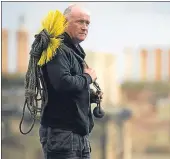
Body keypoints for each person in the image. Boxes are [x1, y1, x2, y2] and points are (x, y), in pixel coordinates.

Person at [38, 4, 103, 159]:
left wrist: (91, 96)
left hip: (78, 135)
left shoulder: (74, 51)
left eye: (87, 23)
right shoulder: (56, 50)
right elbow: (63, 83)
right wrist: (88, 78)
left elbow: (70, 91)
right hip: (62, 134)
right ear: (64, 23)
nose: (85, 27)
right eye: (80, 22)